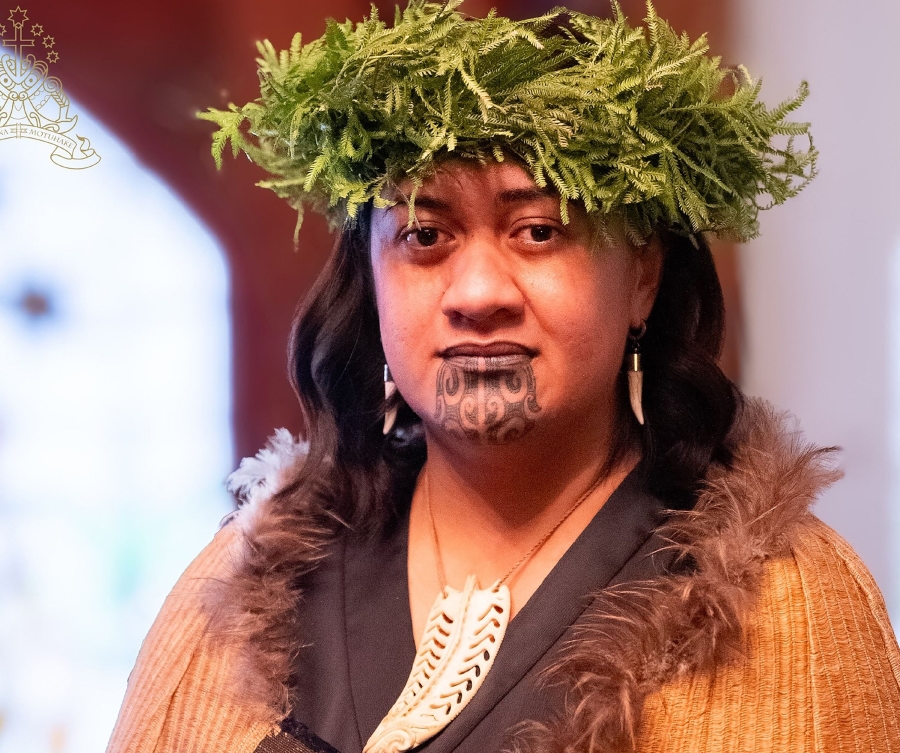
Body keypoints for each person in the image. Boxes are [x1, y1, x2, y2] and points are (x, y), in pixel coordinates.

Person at [107, 2, 900, 752]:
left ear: (645, 277)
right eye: (425, 234)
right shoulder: (240, 595)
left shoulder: (786, 604)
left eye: (538, 230)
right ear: (371, 278)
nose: (479, 294)